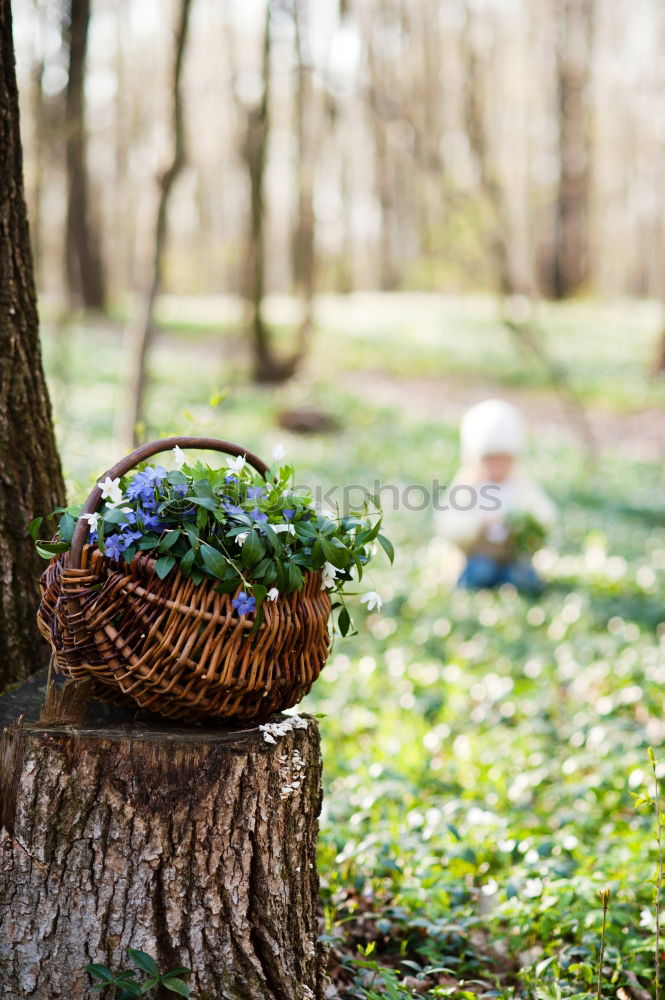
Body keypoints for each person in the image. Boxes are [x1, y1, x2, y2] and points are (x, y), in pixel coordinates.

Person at [439, 399, 556, 592]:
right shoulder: (468, 486)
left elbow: (545, 515)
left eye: (504, 460)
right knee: (480, 571)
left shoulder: (521, 485)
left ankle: (512, 582)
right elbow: (447, 524)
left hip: (511, 556)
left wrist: (522, 525)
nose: (498, 468)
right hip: (479, 554)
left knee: (524, 577)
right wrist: (478, 524)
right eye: (490, 460)